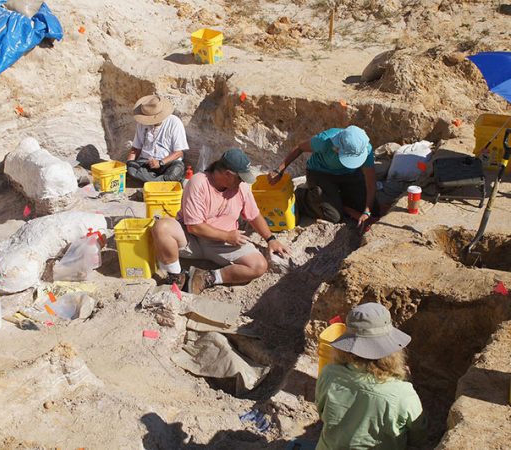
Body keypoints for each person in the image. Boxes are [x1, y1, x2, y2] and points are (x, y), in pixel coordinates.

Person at [151, 148, 290, 294]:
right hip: (192, 240)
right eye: (240, 178)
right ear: (228, 174)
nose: (242, 182)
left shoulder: (241, 187)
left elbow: (254, 215)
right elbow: (194, 227)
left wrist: (271, 239)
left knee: (258, 266)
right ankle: (175, 277)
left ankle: (207, 277)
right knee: (162, 227)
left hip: (223, 245)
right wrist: (228, 236)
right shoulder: (198, 182)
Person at [315, 302, 427, 450]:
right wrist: (403, 382)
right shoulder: (403, 393)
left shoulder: (328, 373)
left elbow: (322, 413)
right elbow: (418, 436)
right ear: (391, 349)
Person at [268, 125, 379, 228]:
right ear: (337, 148)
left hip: (349, 174)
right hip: (321, 173)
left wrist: (366, 212)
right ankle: (304, 197)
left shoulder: (365, 149)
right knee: (333, 216)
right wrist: (280, 170)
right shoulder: (324, 141)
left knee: (374, 208)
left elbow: (370, 182)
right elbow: (300, 148)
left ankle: (338, 202)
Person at [126, 95, 189, 183]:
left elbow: (179, 152)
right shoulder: (141, 124)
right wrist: (129, 163)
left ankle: (153, 180)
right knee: (131, 170)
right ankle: (162, 181)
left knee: (177, 169)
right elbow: (136, 149)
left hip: (167, 163)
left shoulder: (174, 122)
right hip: (146, 162)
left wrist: (160, 162)